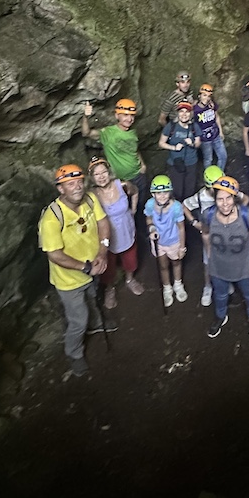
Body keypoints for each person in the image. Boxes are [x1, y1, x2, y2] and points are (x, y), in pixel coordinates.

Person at [38, 164, 116, 377]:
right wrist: (86, 267)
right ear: (60, 189)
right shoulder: (52, 218)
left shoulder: (90, 199)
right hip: (69, 280)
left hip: (93, 268)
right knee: (78, 319)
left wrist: (102, 252)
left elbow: (103, 223)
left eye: (79, 182)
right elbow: (55, 254)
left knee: (93, 300)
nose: (77, 187)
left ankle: (97, 323)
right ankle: (74, 353)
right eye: (70, 184)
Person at [201, 176, 249, 339]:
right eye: (220, 199)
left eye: (228, 198)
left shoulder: (247, 215)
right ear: (214, 200)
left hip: (245, 267)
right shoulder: (208, 215)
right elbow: (205, 233)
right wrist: (209, 254)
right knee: (220, 294)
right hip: (218, 266)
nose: (225, 203)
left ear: (235, 198)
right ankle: (220, 316)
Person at [183, 165, 249, 307]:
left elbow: (245, 199)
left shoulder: (228, 190)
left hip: (228, 234)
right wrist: (194, 222)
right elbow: (185, 205)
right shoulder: (201, 196)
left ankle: (227, 283)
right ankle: (208, 287)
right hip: (210, 235)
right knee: (208, 262)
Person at [87, 156, 144, 310]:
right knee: (109, 264)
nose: (101, 177)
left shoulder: (122, 185)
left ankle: (129, 279)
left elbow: (135, 192)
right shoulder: (92, 195)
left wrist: (133, 210)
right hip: (107, 236)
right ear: (92, 177)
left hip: (126, 229)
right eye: (97, 174)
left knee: (130, 258)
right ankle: (109, 288)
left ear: (109, 172)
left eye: (103, 172)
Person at [81, 98, 147, 207]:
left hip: (138, 175)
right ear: (117, 116)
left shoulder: (133, 132)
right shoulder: (108, 133)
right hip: (121, 180)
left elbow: (134, 149)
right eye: (125, 115)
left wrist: (143, 164)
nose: (129, 119)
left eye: (132, 115)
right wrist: (85, 116)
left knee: (141, 205)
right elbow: (86, 133)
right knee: (125, 207)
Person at [145, 175, 188, 307]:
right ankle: (167, 287)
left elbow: (181, 228)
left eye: (165, 192)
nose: (162, 196)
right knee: (163, 266)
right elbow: (149, 218)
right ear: (153, 194)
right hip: (159, 243)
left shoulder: (176, 207)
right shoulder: (150, 205)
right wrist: (151, 228)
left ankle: (178, 284)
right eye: (158, 193)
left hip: (174, 241)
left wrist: (182, 247)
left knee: (176, 263)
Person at [158, 101, 201, 201]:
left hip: (191, 163)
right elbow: (161, 143)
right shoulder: (171, 127)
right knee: (177, 191)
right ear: (177, 113)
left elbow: (198, 143)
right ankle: (178, 208)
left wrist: (192, 144)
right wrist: (174, 147)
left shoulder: (194, 127)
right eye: (181, 111)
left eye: (187, 111)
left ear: (190, 114)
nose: (184, 114)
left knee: (190, 190)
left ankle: (188, 208)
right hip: (175, 163)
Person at [194, 83, 227, 171]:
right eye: (204, 95)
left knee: (223, 156)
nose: (207, 98)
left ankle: (220, 173)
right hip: (204, 139)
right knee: (208, 159)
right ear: (199, 96)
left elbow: (217, 117)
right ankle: (208, 176)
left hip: (215, 135)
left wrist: (221, 131)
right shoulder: (195, 110)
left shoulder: (211, 105)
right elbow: (192, 125)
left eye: (209, 96)